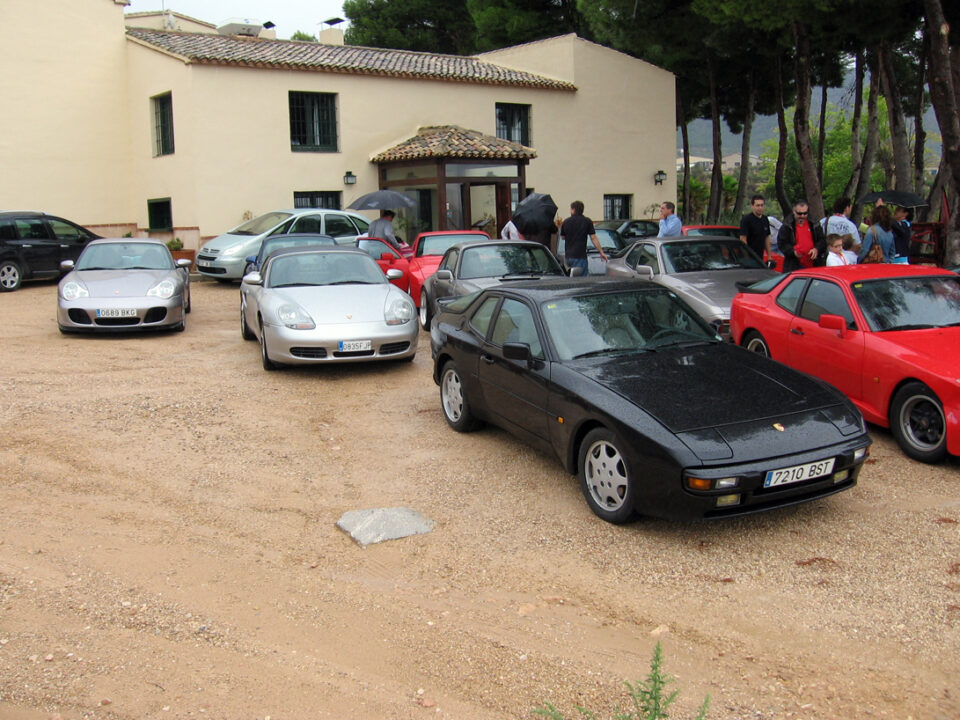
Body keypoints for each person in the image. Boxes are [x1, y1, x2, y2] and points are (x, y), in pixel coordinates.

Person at [776, 200, 826, 273]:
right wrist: (793, 252)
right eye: (799, 214)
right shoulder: (787, 226)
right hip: (794, 265)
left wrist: (817, 249)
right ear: (794, 211)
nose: (802, 216)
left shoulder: (814, 224)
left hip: (814, 264)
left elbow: (822, 240)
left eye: (805, 213)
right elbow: (782, 244)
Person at [559, 201, 607, 276]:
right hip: (580, 256)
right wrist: (601, 252)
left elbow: (563, 237)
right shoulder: (587, 221)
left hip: (568, 257)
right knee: (581, 279)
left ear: (573, 209)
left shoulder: (566, 222)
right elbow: (593, 238)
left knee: (570, 278)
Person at [739, 194, 771, 260]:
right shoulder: (746, 220)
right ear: (752, 206)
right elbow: (743, 239)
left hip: (760, 256)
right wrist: (747, 256)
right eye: (757, 205)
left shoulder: (765, 219)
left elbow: (767, 237)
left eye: (762, 205)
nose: (760, 208)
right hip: (749, 257)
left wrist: (769, 256)